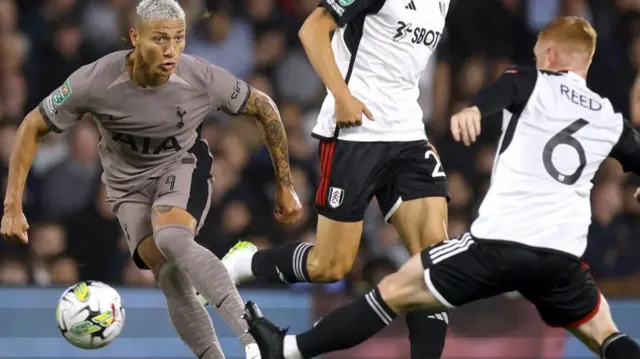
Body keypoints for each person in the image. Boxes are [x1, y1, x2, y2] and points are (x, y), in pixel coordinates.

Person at [242, 16, 640, 359]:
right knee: (606, 334)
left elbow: (496, 94)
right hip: (563, 258)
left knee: (395, 290)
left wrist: (472, 110)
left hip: (500, 244)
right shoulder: (610, 117)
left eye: (538, 54)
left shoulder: (530, 79)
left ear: (551, 56)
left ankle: (289, 350)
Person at [0, 1, 302, 359]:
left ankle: (254, 337)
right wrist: (13, 203)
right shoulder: (96, 80)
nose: (171, 50)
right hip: (126, 187)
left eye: (179, 38)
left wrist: (285, 184)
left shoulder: (201, 77)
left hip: (182, 166)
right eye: (159, 39)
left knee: (172, 237)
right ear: (134, 37)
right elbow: (33, 125)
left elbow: (264, 108)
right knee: (170, 276)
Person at [219, 1, 452, 357]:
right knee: (329, 266)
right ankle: (246, 262)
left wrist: (420, 135)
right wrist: (341, 96)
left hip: (408, 137)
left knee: (434, 268)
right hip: (355, 134)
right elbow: (311, 30)